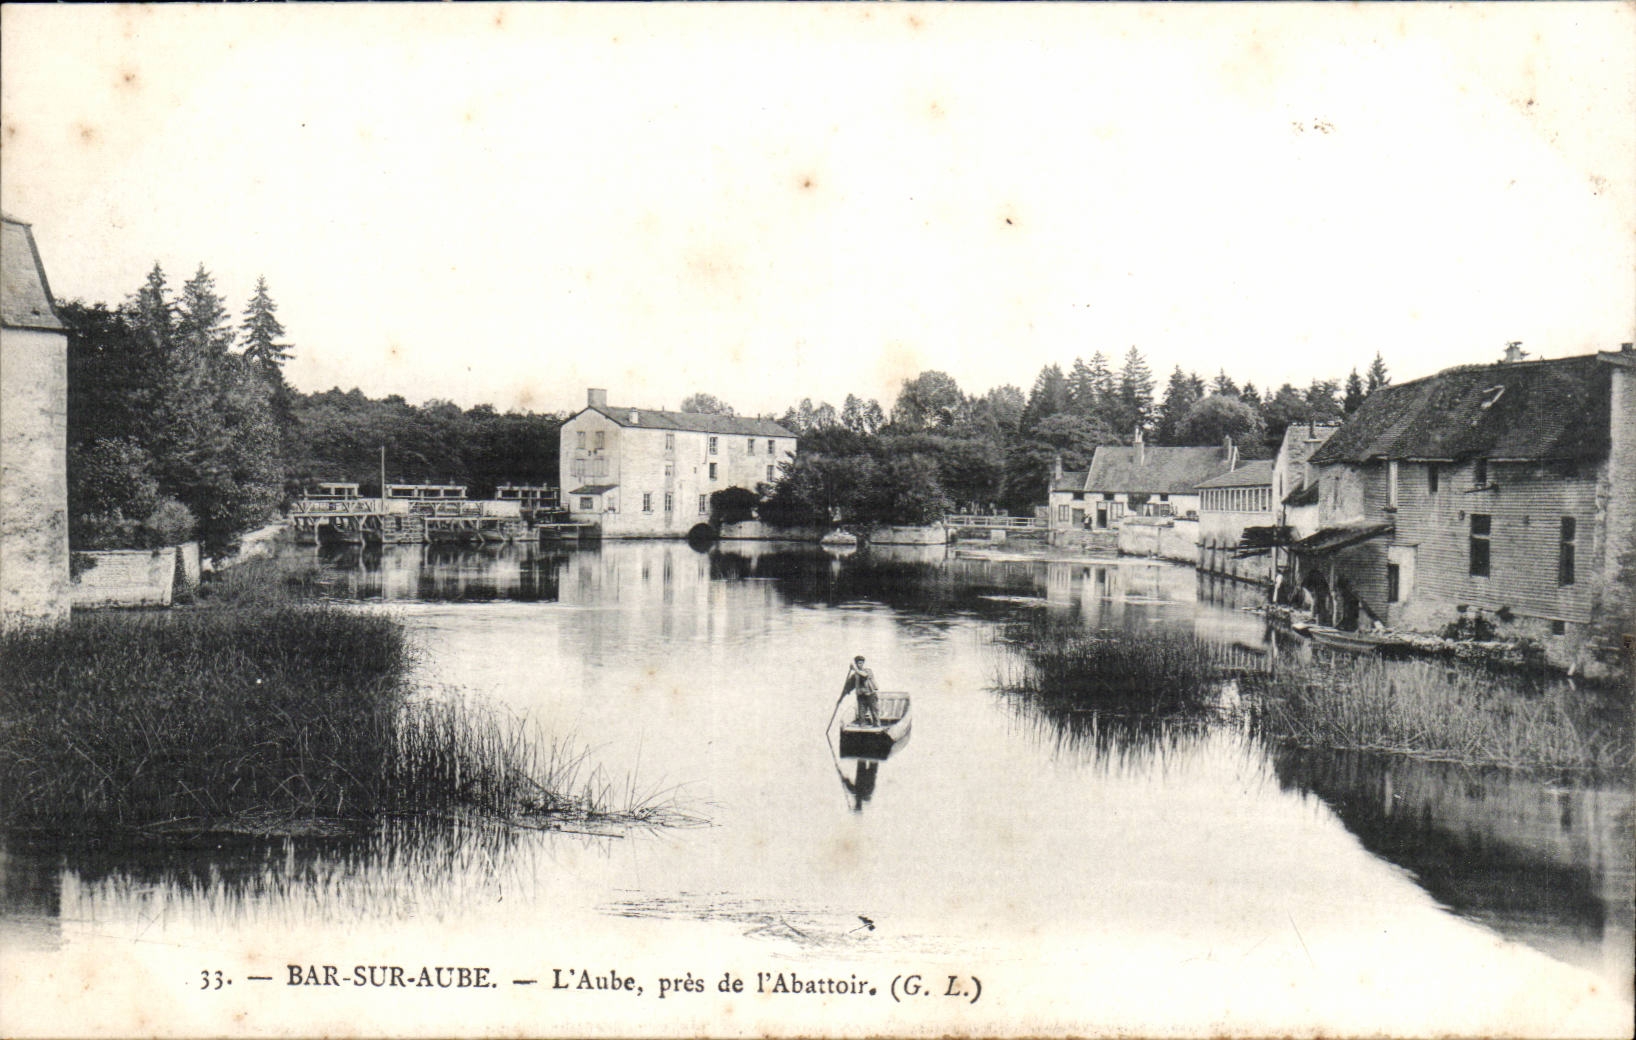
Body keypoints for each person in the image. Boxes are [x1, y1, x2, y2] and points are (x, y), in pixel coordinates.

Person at [842, 655, 879, 726]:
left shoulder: (868, 671)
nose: (860, 665)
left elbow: (865, 675)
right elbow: (850, 685)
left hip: (870, 694)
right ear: (856, 664)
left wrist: (855, 669)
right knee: (861, 712)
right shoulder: (855, 675)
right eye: (859, 663)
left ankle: (877, 725)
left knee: (874, 711)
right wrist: (846, 691)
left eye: (861, 663)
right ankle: (862, 726)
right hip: (861, 696)